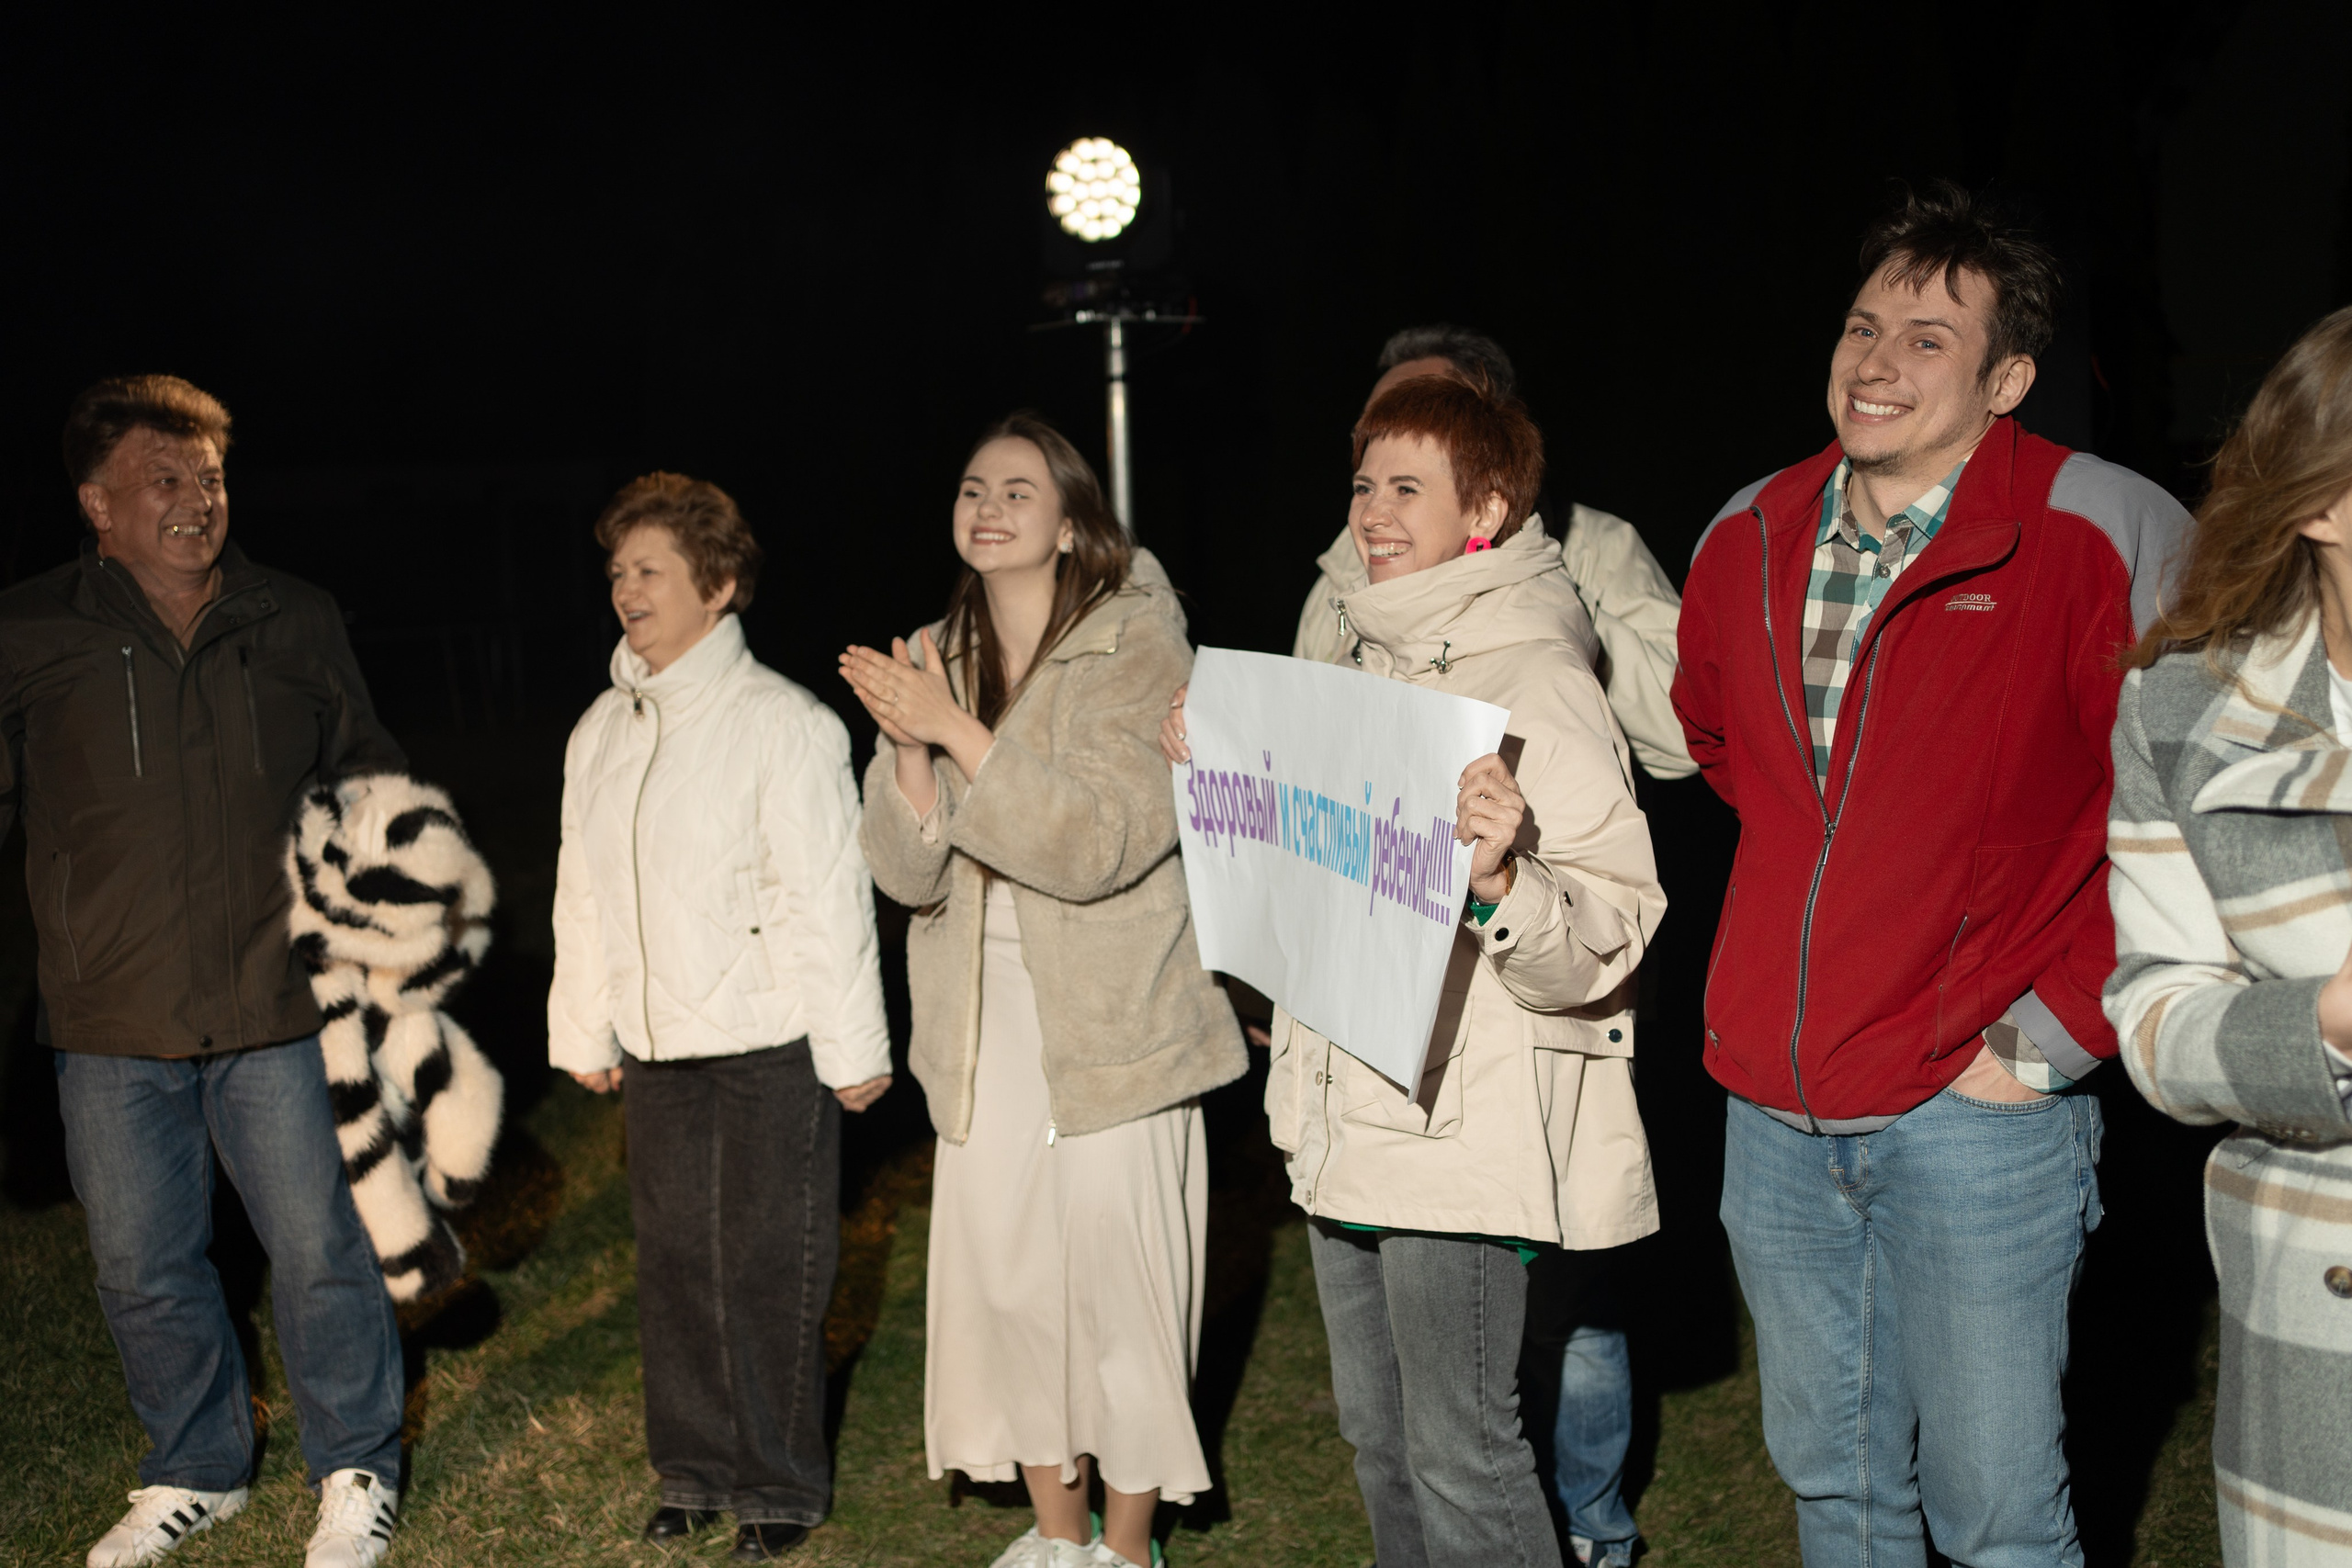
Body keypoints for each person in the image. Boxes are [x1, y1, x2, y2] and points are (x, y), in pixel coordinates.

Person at [1671, 180, 2191, 1566]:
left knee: (1999, 1512)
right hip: (1776, 1104)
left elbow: (2188, 810)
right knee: (1837, 1488)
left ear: (2008, 377)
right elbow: (1726, 747)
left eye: (1926, 338)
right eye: (1860, 326)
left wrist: (2056, 1028)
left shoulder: (2104, 528)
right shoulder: (1750, 529)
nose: (1875, 361)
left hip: (1981, 1107)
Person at [1167, 375, 1667, 1568]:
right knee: (1378, 1434)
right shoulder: (1356, 658)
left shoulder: (1538, 675)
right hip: (1349, 1102)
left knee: (1461, 1444)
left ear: (1484, 506)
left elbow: (1614, 923)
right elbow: (1327, 878)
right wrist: (1220, 774)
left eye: (1407, 486)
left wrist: (1503, 880)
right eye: (1362, 483)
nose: (1373, 511)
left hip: (1461, 1120)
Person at [11, 376, 408, 1568]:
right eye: (165, 481)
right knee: (141, 1263)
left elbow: (369, 775)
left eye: (211, 478)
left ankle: (355, 1469)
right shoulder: (29, 631)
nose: (197, 502)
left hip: (278, 1003)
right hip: (110, 1017)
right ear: (97, 502)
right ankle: (194, 1466)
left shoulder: (297, 616)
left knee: (322, 1248)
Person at [841, 412, 1246, 1568]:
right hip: (984, 1026)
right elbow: (907, 874)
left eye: (1019, 490)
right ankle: (1056, 1539)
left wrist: (955, 733)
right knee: (1011, 1281)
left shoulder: (1141, 647)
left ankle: (1126, 1549)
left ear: (1070, 523)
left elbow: (1101, 845)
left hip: (1118, 1019)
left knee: (1120, 1286)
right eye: (973, 486)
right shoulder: (935, 655)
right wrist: (912, 753)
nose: (989, 506)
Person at [548, 473, 893, 1562]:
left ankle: (777, 1485)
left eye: (650, 569)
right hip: (657, 1051)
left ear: (721, 585)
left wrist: (852, 1049)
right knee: (674, 1264)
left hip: (768, 1046)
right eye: (616, 571)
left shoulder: (783, 724)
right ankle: (691, 1471)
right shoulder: (602, 729)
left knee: (768, 1265)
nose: (626, 588)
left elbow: (823, 893)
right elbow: (585, 891)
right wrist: (584, 1028)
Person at [2105, 305, 2352, 1565]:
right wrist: (2322, 1023)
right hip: (2321, 1316)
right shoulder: (2188, 711)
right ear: (2324, 500)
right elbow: (2156, 1015)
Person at [1292, 323, 1693, 784]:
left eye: (1427, 411)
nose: (1396, 433)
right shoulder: (1347, 562)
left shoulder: (1593, 545)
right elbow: (1308, 740)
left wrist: (1558, 607)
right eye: (1382, 420)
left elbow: (1685, 738)